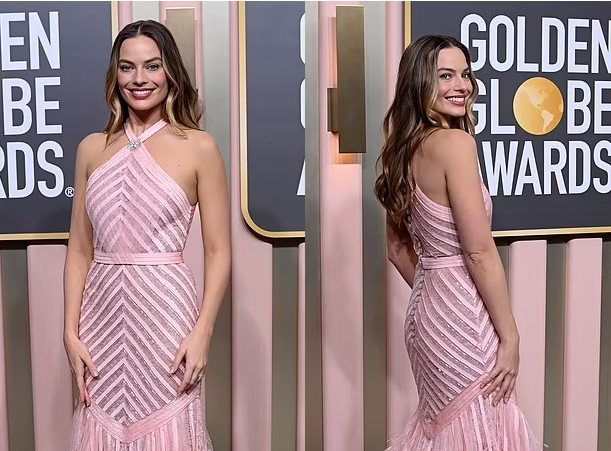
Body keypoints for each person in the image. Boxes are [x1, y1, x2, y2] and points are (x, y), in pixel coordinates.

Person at [63, 20, 230, 450]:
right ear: (114, 75)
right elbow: (80, 249)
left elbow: (217, 250)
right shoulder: (90, 149)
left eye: (152, 66)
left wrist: (203, 332)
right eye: (127, 67)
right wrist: (70, 332)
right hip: (98, 320)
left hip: (167, 319)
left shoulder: (200, 147)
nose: (139, 79)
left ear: (170, 72)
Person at [374, 35, 541, 450]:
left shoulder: (400, 150)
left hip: (425, 315)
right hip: (465, 317)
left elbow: (397, 250)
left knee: (446, 428)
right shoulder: (456, 144)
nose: (461, 85)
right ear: (419, 83)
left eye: (465, 74)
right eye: (445, 75)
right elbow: (478, 251)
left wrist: (437, 295)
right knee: (479, 427)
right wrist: (511, 337)